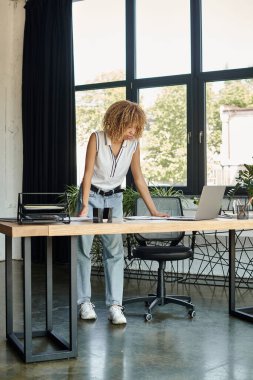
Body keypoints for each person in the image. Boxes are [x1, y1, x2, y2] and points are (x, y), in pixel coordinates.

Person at [77, 100, 168, 325]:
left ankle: (115, 305)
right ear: (118, 121)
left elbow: (138, 177)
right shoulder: (97, 138)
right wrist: (85, 204)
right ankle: (84, 303)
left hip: (113, 199)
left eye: (137, 128)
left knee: (113, 251)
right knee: (83, 249)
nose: (134, 132)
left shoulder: (133, 144)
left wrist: (153, 210)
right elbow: (87, 174)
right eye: (131, 127)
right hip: (93, 196)